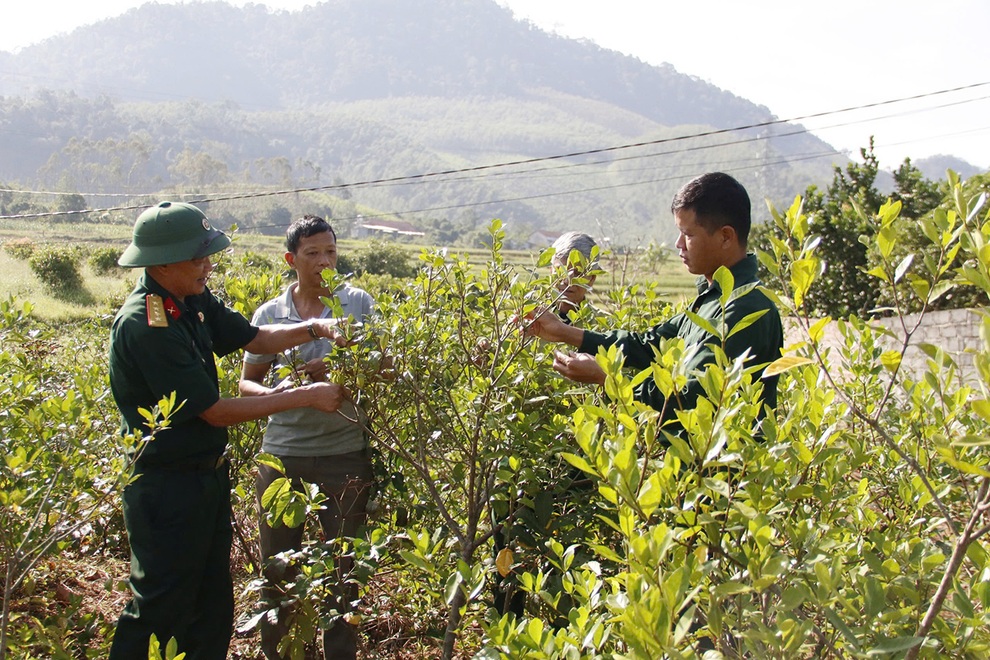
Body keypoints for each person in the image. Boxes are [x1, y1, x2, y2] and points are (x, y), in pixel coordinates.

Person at [108, 201, 351, 660]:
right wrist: (307, 394)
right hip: (166, 487)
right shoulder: (147, 325)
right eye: (197, 257)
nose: (208, 265)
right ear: (161, 263)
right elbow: (214, 411)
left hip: (206, 479)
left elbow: (256, 338)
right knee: (162, 605)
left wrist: (315, 326)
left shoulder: (190, 299)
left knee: (210, 604)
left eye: (207, 255)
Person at [524, 172, 783, 422]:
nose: (678, 244)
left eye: (688, 234)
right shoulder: (712, 299)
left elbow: (690, 401)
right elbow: (650, 344)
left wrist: (607, 379)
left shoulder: (744, 308)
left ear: (726, 236)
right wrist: (562, 332)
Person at [240, 215, 375, 660]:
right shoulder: (268, 316)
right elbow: (247, 384)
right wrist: (287, 392)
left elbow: (387, 372)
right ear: (291, 259)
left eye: (331, 252)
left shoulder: (358, 306)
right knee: (279, 569)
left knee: (344, 573)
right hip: (283, 458)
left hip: (344, 457)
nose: (324, 262)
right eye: (313, 253)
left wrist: (340, 374)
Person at [548, 231, 599, 321]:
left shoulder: (605, 327)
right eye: (561, 271)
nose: (568, 281)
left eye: (578, 272)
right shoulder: (528, 319)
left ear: (591, 279)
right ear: (551, 271)